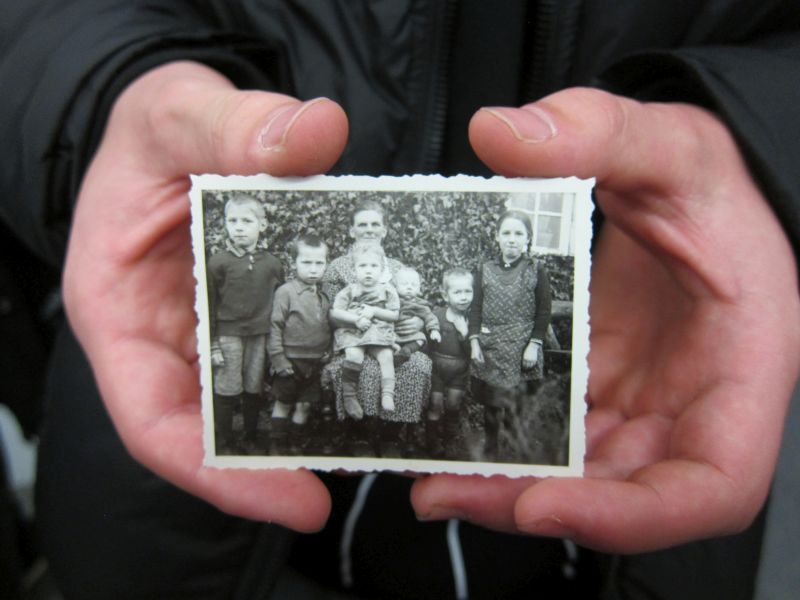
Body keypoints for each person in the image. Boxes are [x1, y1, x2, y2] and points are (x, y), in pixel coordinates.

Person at [2, 2, 799, 599]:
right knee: (322, 376)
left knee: (409, 375)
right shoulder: (342, 269)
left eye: (386, 245)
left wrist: (762, 145)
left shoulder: (444, 281)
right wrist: (105, 91)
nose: (375, 251)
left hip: (626, 426)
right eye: (369, 243)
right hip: (177, 488)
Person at [322, 202, 434, 456]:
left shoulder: (396, 268)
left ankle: (390, 436)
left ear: (384, 230)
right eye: (362, 224)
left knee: (417, 365)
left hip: (389, 337)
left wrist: (416, 322)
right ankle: (359, 435)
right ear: (352, 230)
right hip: (353, 338)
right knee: (357, 368)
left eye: (375, 224)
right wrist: (355, 321)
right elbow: (328, 313)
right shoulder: (338, 267)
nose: (369, 230)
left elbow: (410, 304)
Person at [468, 210, 552, 462]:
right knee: (493, 404)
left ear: (528, 238)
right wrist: (474, 341)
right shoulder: (485, 269)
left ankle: (518, 452)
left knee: (520, 405)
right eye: (506, 233)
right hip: (491, 344)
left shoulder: (537, 269)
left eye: (519, 233)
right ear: (497, 237)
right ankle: (491, 448)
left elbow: (543, 310)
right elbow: (476, 308)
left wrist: (534, 346)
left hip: (523, 346)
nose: (512, 239)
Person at [207, 193, 283, 454]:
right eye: (233, 220)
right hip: (228, 334)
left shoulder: (272, 264)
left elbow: (279, 304)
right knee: (227, 386)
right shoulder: (218, 262)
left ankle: (251, 437)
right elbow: (209, 305)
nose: (238, 227)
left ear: (262, 225)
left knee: (253, 385)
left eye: (246, 221)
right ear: (226, 224)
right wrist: (213, 344)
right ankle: (225, 441)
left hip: (259, 335)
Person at [266, 233, 331, 456]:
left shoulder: (324, 297)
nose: (313, 269)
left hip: (314, 363)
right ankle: (277, 443)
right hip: (289, 361)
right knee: (283, 402)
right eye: (306, 263)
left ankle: (295, 443)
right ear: (294, 264)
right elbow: (275, 326)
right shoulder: (286, 292)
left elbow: (325, 328)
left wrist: (327, 352)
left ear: (325, 264)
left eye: (319, 263)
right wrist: (278, 359)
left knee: (304, 405)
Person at [329, 242, 400, 416]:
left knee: (386, 356)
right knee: (354, 355)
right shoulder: (350, 290)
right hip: (355, 331)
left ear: (382, 269)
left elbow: (394, 315)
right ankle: (349, 396)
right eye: (363, 266)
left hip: (378, 331)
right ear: (354, 270)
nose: (368, 270)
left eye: (374, 266)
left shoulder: (387, 290)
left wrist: (375, 311)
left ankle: (388, 394)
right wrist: (356, 320)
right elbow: (336, 311)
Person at [427, 268, 474, 460]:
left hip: (459, 371)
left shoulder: (473, 320)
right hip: (437, 368)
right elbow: (427, 344)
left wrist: (464, 334)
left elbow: (473, 353)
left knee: (454, 405)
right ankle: (432, 442)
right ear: (445, 295)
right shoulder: (436, 316)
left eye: (468, 292)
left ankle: (450, 439)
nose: (463, 297)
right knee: (435, 404)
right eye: (457, 292)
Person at [392, 267, 442, 365]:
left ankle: (407, 350)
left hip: (411, 335)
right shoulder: (393, 300)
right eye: (404, 284)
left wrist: (434, 330)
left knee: (421, 338)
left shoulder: (421, 305)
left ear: (419, 288)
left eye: (413, 285)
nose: (409, 287)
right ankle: (393, 350)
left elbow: (429, 317)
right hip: (395, 333)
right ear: (395, 286)